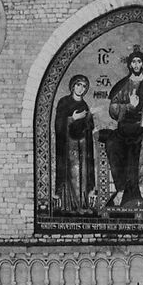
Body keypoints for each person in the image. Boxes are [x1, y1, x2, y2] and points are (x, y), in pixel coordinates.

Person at [101, 48, 143, 207]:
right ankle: (120, 189)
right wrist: (130, 106)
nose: (136, 65)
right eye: (133, 62)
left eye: (139, 61)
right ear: (129, 64)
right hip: (125, 127)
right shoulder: (123, 85)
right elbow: (113, 110)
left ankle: (142, 184)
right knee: (112, 144)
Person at [53, 74, 95, 209]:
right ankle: (69, 206)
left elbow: (89, 125)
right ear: (72, 86)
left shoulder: (84, 104)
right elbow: (59, 123)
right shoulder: (64, 102)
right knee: (71, 173)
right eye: (78, 85)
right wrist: (72, 118)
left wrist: (88, 120)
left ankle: (82, 204)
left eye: (84, 86)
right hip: (68, 145)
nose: (81, 89)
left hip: (82, 145)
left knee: (82, 173)